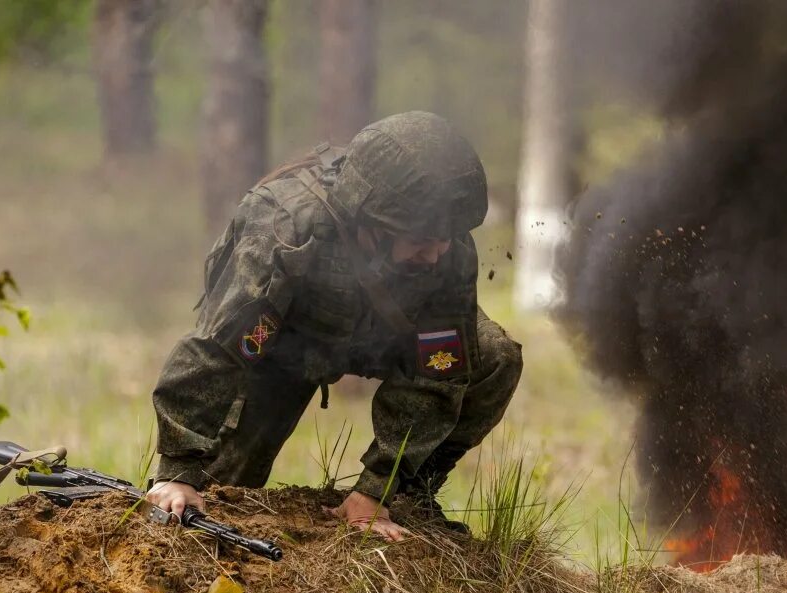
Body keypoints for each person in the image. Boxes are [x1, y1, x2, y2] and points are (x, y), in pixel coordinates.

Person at [146, 111, 522, 541]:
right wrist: (178, 470)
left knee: (493, 355)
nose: (436, 255)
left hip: (380, 340)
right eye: (421, 243)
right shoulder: (286, 229)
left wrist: (378, 488)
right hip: (278, 351)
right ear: (373, 223)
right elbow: (216, 349)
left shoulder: (446, 247)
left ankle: (409, 497)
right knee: (210, 498)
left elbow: (439, 372)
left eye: (444, 241)